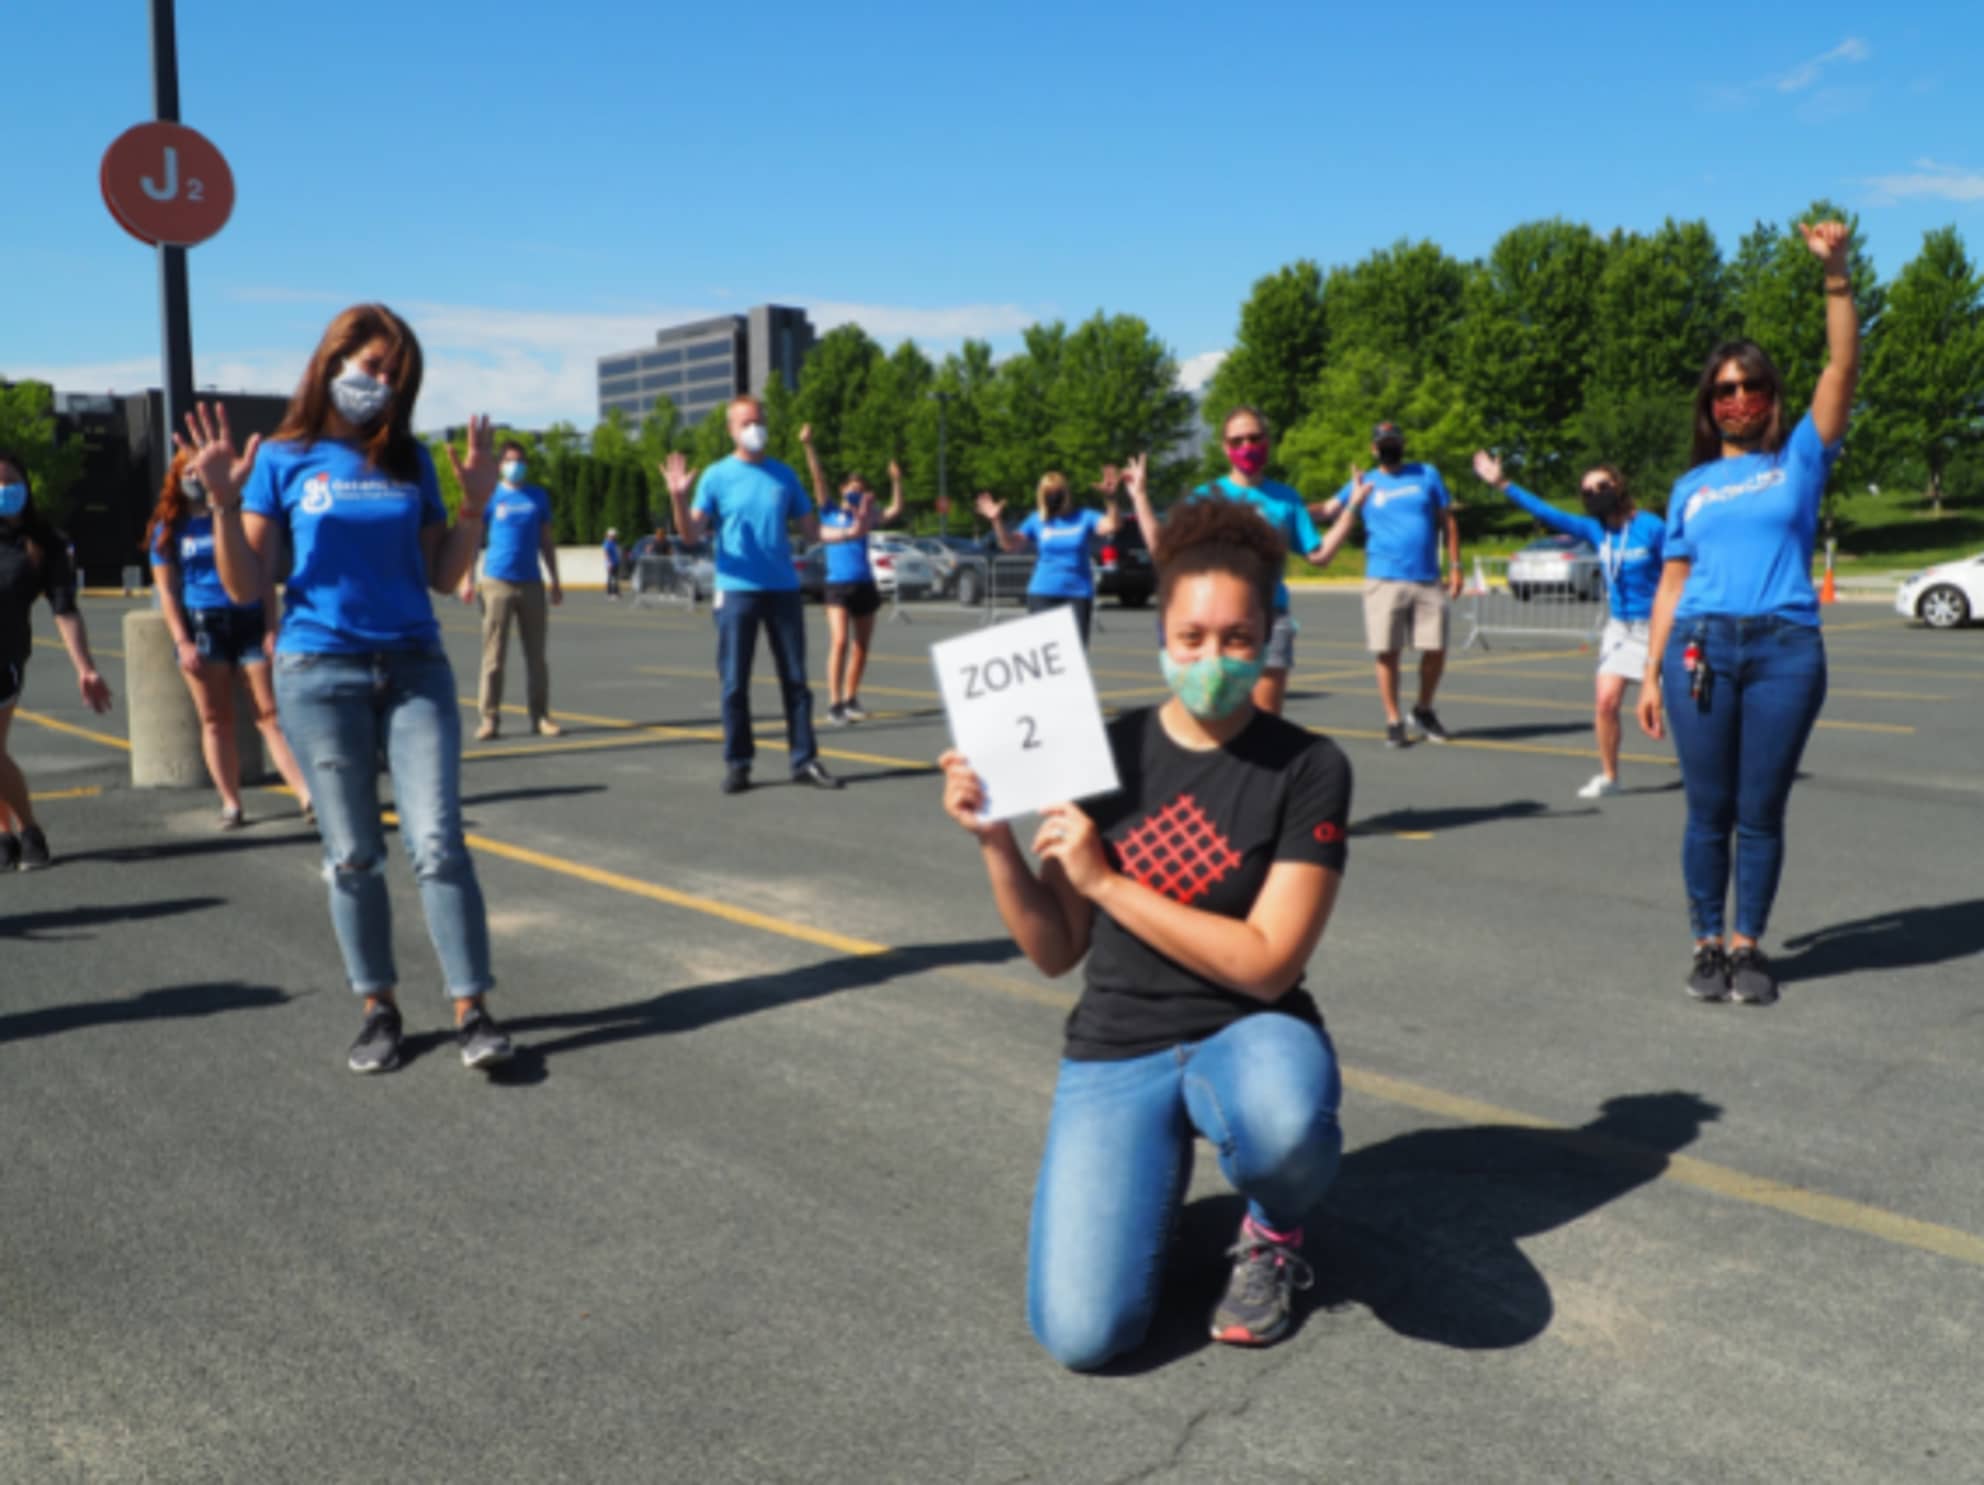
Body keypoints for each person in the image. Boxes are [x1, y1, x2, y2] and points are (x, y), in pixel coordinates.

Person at [940, 497, 1353, 1370]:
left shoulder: (1310, 767)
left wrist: (1108, 880)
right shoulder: (1101, 750)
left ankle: (1274, 1224)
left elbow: (1271, 964)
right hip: (1117, 1047)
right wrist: (995, 842)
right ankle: (1146, 1186)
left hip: (1245, 1032)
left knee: (1283, 1120)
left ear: (1270, 633)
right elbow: (1057, 948)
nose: (1212, 658)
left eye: (1238, 638)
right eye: (1193, 636)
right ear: (1160, 632)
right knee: (1084, 1335)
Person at [180, 302, 513, 1074]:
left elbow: (443, 572)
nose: (384, 383)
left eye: (397, 374)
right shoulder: (283, 459)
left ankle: (473, 1009)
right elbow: (242, 582)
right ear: (332, 363)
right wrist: (226, 503)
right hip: (317, 672)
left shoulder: (412, 459)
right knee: (355, 854)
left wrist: (474, 505)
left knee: (437, 842)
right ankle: (380, 1007)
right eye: (373, 366)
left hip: (414, 669)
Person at [1637, 221, 1858, 1009]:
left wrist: (1836, 274)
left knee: (1761, 809)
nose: (1736, 398)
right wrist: (1649, 674)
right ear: (1710, 401)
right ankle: (1705, 940)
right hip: (1698, 648)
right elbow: (1669, 585)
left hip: (1784, 651)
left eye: (1749, 386)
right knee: (1709, 809)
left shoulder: (1799, 456)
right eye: (1722, 389)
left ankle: (1748, 945)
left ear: (1768, 394)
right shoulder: (1688, 486)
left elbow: (1841, 366)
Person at [1127, 412, 1370, 714]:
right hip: (1215, 620)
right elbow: (1164, 550)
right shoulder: (1206, 497)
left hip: (1270, 617)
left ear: (1267, 441)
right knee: (1215, 714)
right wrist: (1139, 496)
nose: (1247, 446)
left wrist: (1354, 507)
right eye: (1237, 440)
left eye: (1255, 438)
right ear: (1224, 447)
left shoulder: (1286, 499)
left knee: (1266, 721)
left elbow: (1319, 555)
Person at [661, 399, 840, 794]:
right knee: (734, 684)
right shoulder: (716, 476)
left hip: (783, 591)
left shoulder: (783, 475)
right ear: (731, 429)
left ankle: (804, 760)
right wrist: (677, 497)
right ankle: (739, 763)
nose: (754, 428)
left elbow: (812, 532)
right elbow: (690, 536)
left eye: (759, 421)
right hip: (737, 592)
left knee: (796, 681)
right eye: (746, 423)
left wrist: (850, 532)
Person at [1472, 450, 1666, 798]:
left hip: (1658, 627)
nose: (1595, 495)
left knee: (1685, 708)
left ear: (1618, 484)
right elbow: (1547, 512)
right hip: (1621, 628)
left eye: (1601, 486)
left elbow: (1680, 574)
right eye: (1587, 492)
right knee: (1606, 701)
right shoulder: (1595, 529)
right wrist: (1502, 484)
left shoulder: (1651, 527)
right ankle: (1610, 776)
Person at [145, 450, 313, 828]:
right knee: (216, 719)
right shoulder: (168, 528)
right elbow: (168, 592)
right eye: (188, 471)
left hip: (249, 618)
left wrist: (272, 627)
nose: (195, 478)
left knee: (270, 715)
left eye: (201, 471)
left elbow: (265, 577)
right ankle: (231, 803)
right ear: (176, 476)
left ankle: (307, 795)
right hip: (204, 625)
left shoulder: (241, 517)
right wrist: (182, 641)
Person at [1315, 421, 1463, 747]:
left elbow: (1448, 520)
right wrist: (1285, 510)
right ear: (1373, 449)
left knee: (1436, 648)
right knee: (1388, 652)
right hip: (1384, 578)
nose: (1389, 446)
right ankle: (1394, 719)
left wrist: (1455, 565)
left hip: (1426, 577)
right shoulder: (1366, 481)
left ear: (1403, 444)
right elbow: (1328, 509)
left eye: (1393, 440)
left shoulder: (1426, 474)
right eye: (1383, 442)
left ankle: (1423, 709)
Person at [0, 454, 113, 870]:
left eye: (9, 481)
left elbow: (64, 609)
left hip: (4, 656)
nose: (3, 490)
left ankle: (30, 831)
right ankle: (6, 835)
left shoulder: (43, 543)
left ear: (25, 486)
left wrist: (85, 667)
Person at [461, 440, 563, 742]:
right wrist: (468, 577)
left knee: (536, 656)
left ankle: (541, 716)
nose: (515, 465)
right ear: (500, 464)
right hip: (496, 582)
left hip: (531, 582)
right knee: (493, 656)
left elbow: (546, 541)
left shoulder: (537, 497)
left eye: (520, 460)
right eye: (509, 460)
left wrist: (555, 579)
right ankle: (489, 718)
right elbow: (474, 539)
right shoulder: (491, 496)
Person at [800, 432, 902, 725]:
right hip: (837, 585)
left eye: (860, 490)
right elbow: (818, 479)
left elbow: (895, 510)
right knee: (841, 641)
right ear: (843, 489)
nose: (854, 493)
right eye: (850, 489)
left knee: (861, 646)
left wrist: (896, 480)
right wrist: (809, 445)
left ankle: (851, 697)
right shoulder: (831, 511)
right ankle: (834, 703)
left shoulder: (867, 516)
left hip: (864, 583)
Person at [975, 471, 1117, 647]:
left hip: (1078, 593)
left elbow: (1112, 525)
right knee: (1046, 653)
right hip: (1043, 592)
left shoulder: (1084, 517)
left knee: (1076, 653)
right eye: (1048, 493)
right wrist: (996, 520)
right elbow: (1010, 545)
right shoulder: (1036, 520)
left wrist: (1111, 499)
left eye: (1057, 491)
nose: (1053, 496)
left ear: (1066, 493)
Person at [602, 527, 622, 601]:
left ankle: (616, 592)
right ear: (611, 535)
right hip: (611, 563)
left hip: (615, 562)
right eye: (615, 535)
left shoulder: (614, 542)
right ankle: (611, 594)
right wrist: (609, 563)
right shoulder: (607, 543)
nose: (616, 536)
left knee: (615, 578)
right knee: (611, 579)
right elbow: (606, 553)